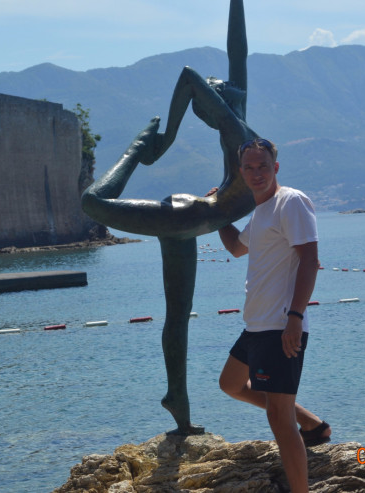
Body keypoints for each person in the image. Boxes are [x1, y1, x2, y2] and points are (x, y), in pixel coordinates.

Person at [81, 0, 257, 435]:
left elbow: (238, 52)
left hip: (195, 220)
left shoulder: (244, 133)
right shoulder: (235, 132)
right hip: (187, 216)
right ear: (217, 104)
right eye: (222, 89)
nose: (230, 86)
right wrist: (163, 141)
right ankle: (136, 150)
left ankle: (177, 401)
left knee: (178, 315)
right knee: (92, 203)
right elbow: (188, 77)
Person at [215, 138, 330, 493]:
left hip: (281, 325)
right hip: (257, 325)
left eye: (263, 166)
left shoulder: (290, 202)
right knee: (230, 384)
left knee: (279, 418)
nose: (257, 173)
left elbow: (309, 260)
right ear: (241, 172)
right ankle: (312, 424)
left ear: (275, 167)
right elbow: (236, 247)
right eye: (249, 167)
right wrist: (218, 213)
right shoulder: (261, 212)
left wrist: (295, 316)